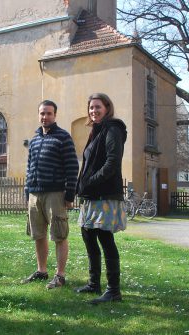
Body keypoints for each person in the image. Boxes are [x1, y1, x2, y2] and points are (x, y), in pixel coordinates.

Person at [75, 93, 127, 304]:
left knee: (106, 239)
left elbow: (112, 162)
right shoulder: (97, 131)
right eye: (90, 108)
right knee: (88, 235)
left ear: (107, 107)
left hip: (104, 193)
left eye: (97, 107)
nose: (93, 111)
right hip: (91, 194)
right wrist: (83, 185)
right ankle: (93, 283)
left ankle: (114, 290)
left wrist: (91, 181)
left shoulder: (113, 129)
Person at [23, 100, 79, 289]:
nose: (44, 117)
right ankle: (42, 271)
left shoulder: (63, 137)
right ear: (38, 115)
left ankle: (60, 275)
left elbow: (72, 167)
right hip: (35, 194)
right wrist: (27, 192)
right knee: (38, 235)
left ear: (55, 115)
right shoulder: (35, 139)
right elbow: (29, 167)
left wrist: (70, 195)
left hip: (55, 194)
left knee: (59, 235)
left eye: (48, 113)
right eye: (42, 113)